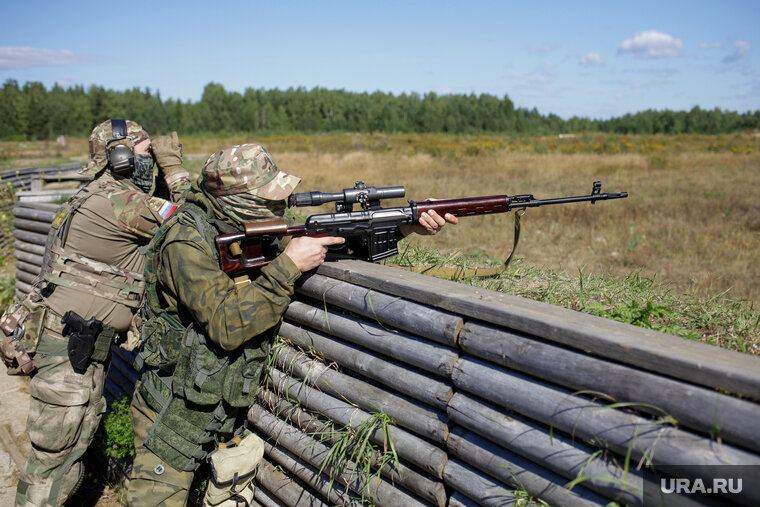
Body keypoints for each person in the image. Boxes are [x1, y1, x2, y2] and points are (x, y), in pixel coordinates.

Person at [127, 143, 456, 506]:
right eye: (267, 202)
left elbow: (332, 241)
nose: (277, 209)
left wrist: (403, 224)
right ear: (234, 200)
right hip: (172, 414)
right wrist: (288, 266)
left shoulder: (238, 224)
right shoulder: (185, 240)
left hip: (218, 408)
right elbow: (226, 325)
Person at [0, 118, 191, 507]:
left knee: (63, 457)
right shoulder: (117, 201)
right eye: (144, 153)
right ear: (119, 157)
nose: (150, 161)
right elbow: (192, 223)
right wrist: (173, 169)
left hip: (74, 347)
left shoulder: (100, 193)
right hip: (71, 352)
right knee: (53, 465)